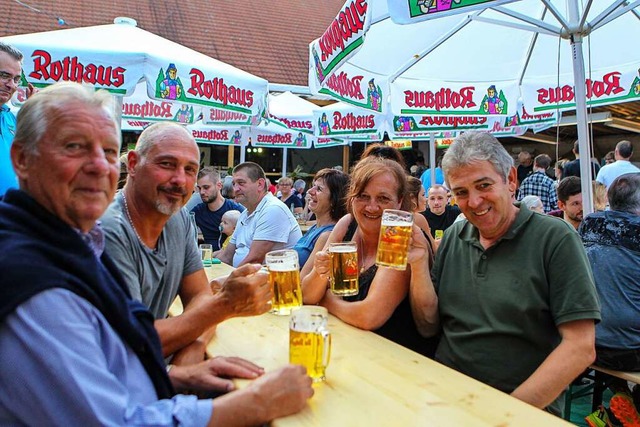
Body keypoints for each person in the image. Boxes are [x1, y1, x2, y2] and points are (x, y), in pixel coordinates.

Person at [0, 82, 313, 425]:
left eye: (107, 152)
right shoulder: (35, 282)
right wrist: (258, 403)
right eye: (74, 147)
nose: (99, 166)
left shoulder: (71, 243)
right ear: (22, 159)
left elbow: (110, 358)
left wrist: (173, 377)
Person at [409, 131, 600, 416]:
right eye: (461, 192)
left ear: (511, 180)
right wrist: (418, 264)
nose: (474, 202)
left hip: (522, 407)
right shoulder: (453, 237)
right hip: (444, 398)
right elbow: (428, 326)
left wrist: (503, 413)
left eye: (483, 185)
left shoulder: (555, 238)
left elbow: (581, 347)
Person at [101, 122, 271, 367]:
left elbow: (200, 296)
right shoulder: (109, 230)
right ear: (133, 164)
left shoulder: (177, 217)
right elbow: (130, 343)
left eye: (190, 170)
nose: (180, 180)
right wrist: (224, 306)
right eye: (167, 164)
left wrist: (195, 347)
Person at [302, 157, 437, 358]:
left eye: (383, 198)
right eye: (363, 196)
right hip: (350, 350)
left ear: (399, 201)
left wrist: (326, 301)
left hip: (397, 361)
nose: (371, 207)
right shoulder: (348, 224)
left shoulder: (400, 238)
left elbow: (368, 316)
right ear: (351, 198)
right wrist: (320, 274)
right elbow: (306, 295)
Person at [580, 173, 640, 426]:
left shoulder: (588, 223)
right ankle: (623, 413)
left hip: (584, 342)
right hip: (629, 350)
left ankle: (620, 400)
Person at [216, 162, 302, 267]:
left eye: (241, 183)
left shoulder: (273, 209)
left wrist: (226, 281)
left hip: (269, 281)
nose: (235, 189)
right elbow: (226, 256)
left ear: (260, 184)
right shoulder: (245, 214)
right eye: (234, 184)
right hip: (247, 279)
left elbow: (254, 260)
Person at [293, 168, 349, 278]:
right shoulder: (316, 227)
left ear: (334, 200)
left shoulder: (327, 235)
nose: (309, 191)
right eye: (313, 186)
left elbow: (302, 280)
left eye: (318, 189)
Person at [0, 42, 35, 197]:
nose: (11, 85)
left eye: (16, 79)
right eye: (4, 76)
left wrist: (33, 112)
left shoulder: (11, 118)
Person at [191, 167, 244, 250]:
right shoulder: (198, 211)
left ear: (219, 186)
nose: (202, 192)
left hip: (230, 258)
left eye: (206, 187)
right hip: (207, 258)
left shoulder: (235, 210)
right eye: (199, 188)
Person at [407, 176, 436, 264]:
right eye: (423, 195)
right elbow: (434, 250)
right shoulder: (417, 218)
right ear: (412, 198)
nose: (426, 199)